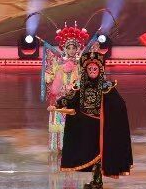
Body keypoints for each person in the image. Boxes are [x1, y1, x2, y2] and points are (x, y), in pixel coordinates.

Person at [53, 48, 133, 189]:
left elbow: (120, 105)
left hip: (101, 128)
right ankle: (95, 180)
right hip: (84, 128)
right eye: (89, 69)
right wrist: (59, 103)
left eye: (95, 69)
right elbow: (70, 99)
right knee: (88, 154)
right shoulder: (80, 85)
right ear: (85, 70)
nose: (92, 71)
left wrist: (111, 116)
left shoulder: (106, 87)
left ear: (100, 70)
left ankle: (97, 181)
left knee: (100, 156)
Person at [39, 23, 104, 156]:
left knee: (76, 122)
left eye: (74, 48)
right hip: (61, 96)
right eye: (69, 48)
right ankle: (60, 147)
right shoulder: (59, 63)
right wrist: (58, 84)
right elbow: (52, 79)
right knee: (61, 122)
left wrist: (76, 87)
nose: (71, 51)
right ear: (65, 49)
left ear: (77, 48)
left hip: (75, 96)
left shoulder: (80, 63)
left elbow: (85, 78)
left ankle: (76, 146)